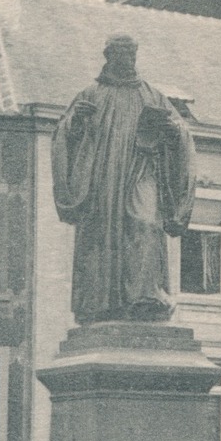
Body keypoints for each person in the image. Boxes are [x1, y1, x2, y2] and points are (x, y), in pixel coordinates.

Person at [51, 34, 195, 325]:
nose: (128, 60)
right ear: (109, 56)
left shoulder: (153, 95)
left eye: (132, 54)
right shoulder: (90, 94)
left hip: (142, 171)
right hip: (102, 178)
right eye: (121, 54)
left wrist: (172, 129)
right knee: (101, 234)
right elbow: (64, 137)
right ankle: (100, 303)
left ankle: (146, 297)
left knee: (145, 222)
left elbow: (181, 134)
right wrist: (76, 122)